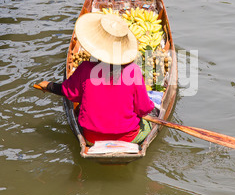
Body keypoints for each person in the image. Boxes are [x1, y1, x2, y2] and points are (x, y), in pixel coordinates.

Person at [35, 12, 155, 145]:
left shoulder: (85, 69)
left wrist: (50, 86)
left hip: (92, 138)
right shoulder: (133, 71)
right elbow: (144, 109)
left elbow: (70, 93)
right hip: (127, 137)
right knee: (148, 124)